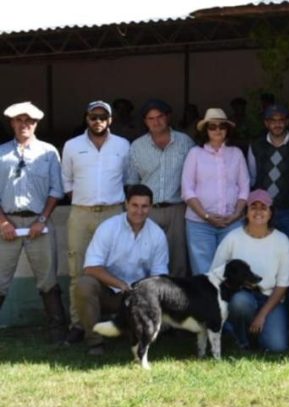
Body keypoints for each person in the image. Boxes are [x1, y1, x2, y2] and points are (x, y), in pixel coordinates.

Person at [61, 100, 130, 343]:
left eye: (103, 116)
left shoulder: (123, 145)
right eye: (93, 116)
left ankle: (116, 321)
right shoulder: (71, 146)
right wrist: (84, 200)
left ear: (110, 120)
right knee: (77, 269)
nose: (97, 120)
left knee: (114, 268)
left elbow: (128, 179)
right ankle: (78, 324)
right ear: (86, 118)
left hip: (114, 212)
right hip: (81, 213)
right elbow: (66, 182)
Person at [0, 101, 67, 343]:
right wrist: (3, 223)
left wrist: (42, 219)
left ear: (36, 123)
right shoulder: (1, 153)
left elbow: (56, 190)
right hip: (7, 222)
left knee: (47, 277)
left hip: (40, 223)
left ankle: (58, 331)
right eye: (19, 120)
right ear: (12, 123)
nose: (23, 124)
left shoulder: (49, 152)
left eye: (28, 120)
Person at [75, 184, 169, 355]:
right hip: (109, 291)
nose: (139, 211)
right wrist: (121, 284)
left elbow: (159, 276)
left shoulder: (157, 235)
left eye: (144, 206)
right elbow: (91, 267)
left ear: (151, 207)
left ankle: (137, 334)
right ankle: (95, 343)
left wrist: (145, 295)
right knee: (84, 285)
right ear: (126, 204)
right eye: (134, 205)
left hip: (138, 296)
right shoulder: (109, 227)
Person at [210, 189, 289, 352]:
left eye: (264, 207)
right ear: (246, 212)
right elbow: (214, 274)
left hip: (270, 299)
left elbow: (283, 285)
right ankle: (242, 341)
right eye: (253, 207)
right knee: (240, 303)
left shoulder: (282, 240)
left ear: (271, 213)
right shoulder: (233, 238)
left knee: (277, 346)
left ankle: (257, 334)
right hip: (241, 297)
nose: (258, 212)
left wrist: (262, 316)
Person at [126, 99, 195, 277]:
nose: (156, 122)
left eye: (160, 117)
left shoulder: (185, 142)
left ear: (168, 117)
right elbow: (132, 182)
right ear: (145, 121)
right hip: (149, 209)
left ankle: (177, 300)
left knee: (178, 259)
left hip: (177, 208)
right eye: (151, 118)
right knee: (147, 255)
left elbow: (196, 175)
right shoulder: (137, 146)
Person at [181, 108, 249, 275]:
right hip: (199, 224)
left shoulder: (236, 153)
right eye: (212, 127)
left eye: (222, 126)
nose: (217, 130)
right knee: (203, 273)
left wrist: (236, 214)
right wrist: (206, 215)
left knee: (231, 272)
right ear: (206, 130)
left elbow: (244, 187)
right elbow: (187, 190)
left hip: (231, 222)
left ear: (227, 129)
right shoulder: (195, 154)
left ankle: (230, 302)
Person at [246, 104, 289, 244]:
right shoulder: (256, 145)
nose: (277, 124)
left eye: (281, 120)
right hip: (264, 210)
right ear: (266, 123)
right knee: (264, 251)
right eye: (272, 120)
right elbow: (252, 177)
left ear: (287, 122)